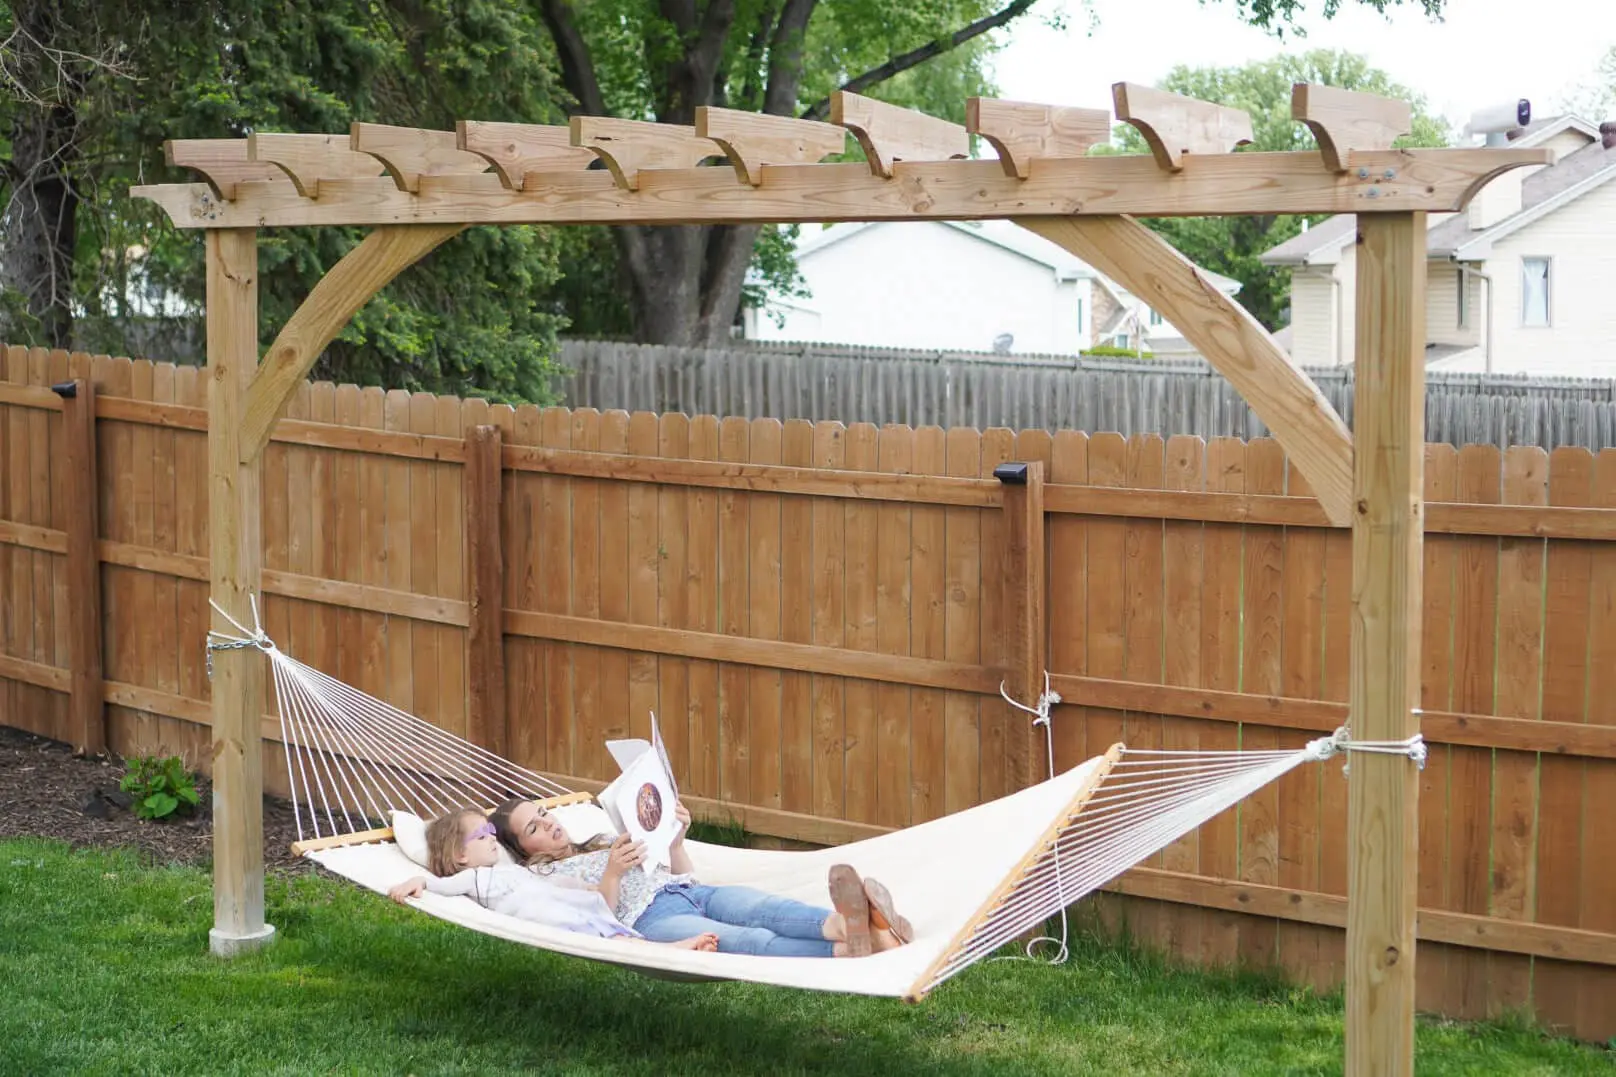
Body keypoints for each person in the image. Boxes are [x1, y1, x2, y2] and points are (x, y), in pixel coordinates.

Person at [489, 796, 913, 958]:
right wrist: (614, 872)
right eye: (532, 828)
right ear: (521, 849)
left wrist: (675, 842)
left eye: (543, 813)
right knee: (743, 939)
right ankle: (858, 945)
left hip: (687, 890)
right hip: (649, 921)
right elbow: (598, 916)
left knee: (766, 908)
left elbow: (677, 872)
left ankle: (845, 923)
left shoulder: (599, 838)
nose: (546, 824)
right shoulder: (545, 877)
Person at [386, 807, 718, 952]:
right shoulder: (473, 878)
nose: (491, 838)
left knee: (616, 933)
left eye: (491, 831)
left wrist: (587, 887)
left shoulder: (511, 871)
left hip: (569, 908)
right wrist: (419, 881)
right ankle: (673, 949)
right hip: (552, 919)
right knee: (616, 940)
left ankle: (672, 948)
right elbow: (443, 886)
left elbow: (554, 886)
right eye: (482, 834)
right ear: (460, 855)